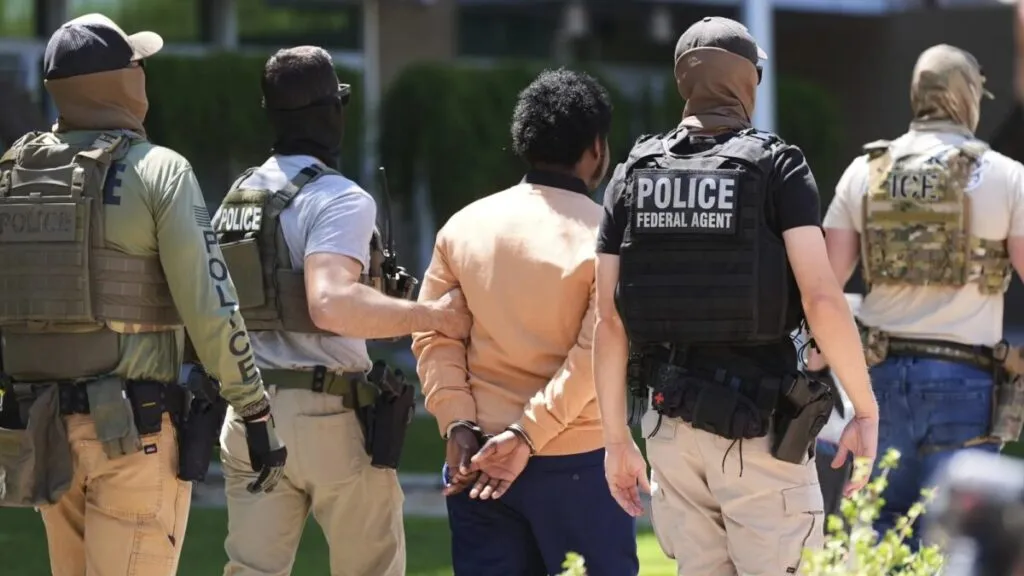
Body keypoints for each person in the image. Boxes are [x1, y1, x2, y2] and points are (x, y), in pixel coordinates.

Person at [592, 16, 880, 576]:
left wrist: (615, 440)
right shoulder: (778, 165)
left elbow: (608, 319)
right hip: (759, 431)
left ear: (684, 81)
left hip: (669, 429)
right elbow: (822, 298)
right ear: (749, 81)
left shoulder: (633, 172)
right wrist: (864, 409)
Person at [0, 13, 285, 576]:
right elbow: (211, 305)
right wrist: (254, 410)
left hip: (42, 431)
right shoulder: (160, 171)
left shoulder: (12, 173)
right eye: (137, 64)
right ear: (121, 80)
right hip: (134, 434)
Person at [212, 46, 471, 576]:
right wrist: (434, 315)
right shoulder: (338, 198)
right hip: (326, 414)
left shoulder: (235, 199)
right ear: (334, 111)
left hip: (249, 413)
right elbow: (330, 302)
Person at [411, 68, 639, 576]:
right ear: (596, 148)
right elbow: (597, 352)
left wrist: (457, 422)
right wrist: (526, 436)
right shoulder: (608, 238)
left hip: (477, 458)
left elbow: (434, 334)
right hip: (578, 463)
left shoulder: (462, 226)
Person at [822, 43, 1024, 540]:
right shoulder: (1005, 176)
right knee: (960, 532)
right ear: (967, 96)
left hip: (880, 381)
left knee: (884, 527)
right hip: (967, 383)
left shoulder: (865, 171)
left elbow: (823, 286)